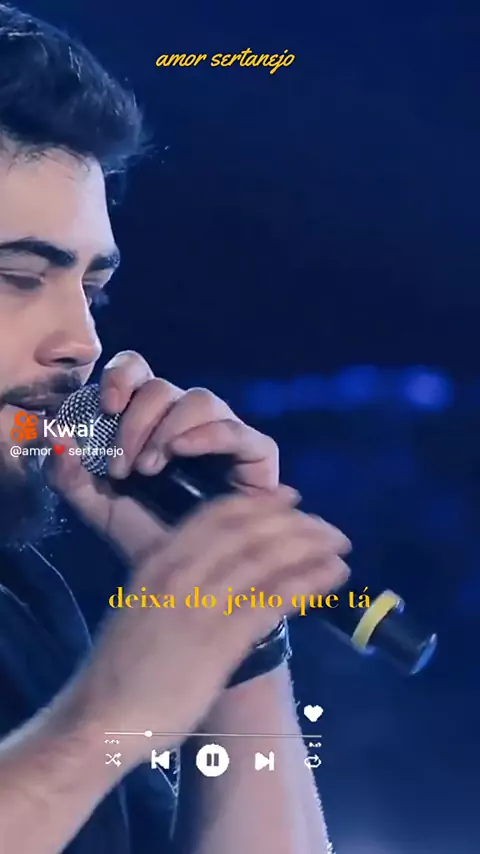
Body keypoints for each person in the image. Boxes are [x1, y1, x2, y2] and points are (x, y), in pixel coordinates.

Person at [0, 5, 351, 853]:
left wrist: (239, 630)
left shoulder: (23, 605)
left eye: (93, 290)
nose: (83, 342)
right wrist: (102, 720)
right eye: (18, 277)